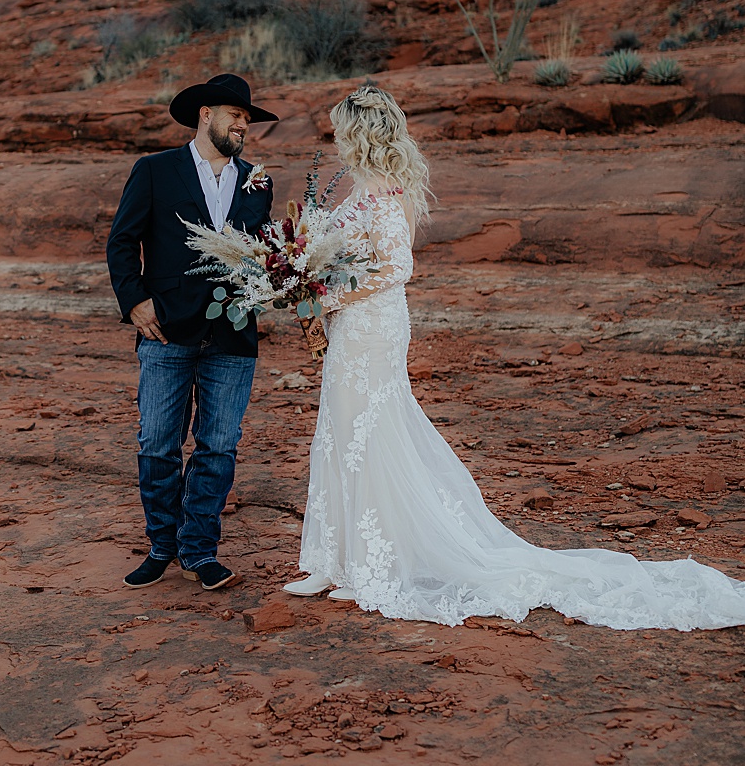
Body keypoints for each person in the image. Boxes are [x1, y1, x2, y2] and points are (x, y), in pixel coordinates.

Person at [285, 83, 745, 628]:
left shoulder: (384, 190)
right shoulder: (360, 187)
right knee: (340, 429)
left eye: (341, 127)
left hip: (371, 325)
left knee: (368, 432)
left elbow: (396, 268)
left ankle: (368, 566)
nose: (335, 136)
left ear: (360, 133)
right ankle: (330, 559)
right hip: (352, 324)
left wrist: (328, 297)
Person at [105, 73, 277, 593]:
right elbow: (122, 241)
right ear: (206, 114)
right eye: (236, 114)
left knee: (218, 447)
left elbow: (263, 254)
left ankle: (200, 551)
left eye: (248, 118)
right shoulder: (156, 170)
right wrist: (135, 302)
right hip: (165, 333)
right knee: (157, 443)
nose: (244, 124)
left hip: (234, 335)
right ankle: (162, 545)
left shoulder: (259, 182)